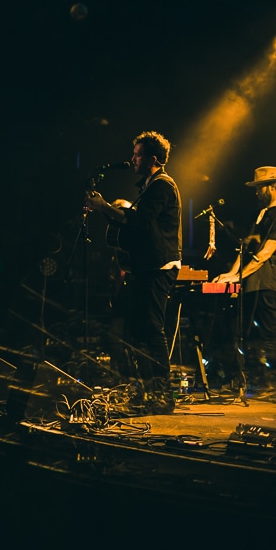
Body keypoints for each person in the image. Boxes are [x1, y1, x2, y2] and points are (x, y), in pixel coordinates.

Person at [85, 131, 182, 414]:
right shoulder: (150, 186)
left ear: (153, 158)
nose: (133, 159)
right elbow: (133, 225)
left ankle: (163, 396)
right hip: (146, 266)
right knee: (138, 329)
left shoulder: (162, 186)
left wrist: (104, 206)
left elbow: (139, 222)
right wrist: (104, 209)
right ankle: (147, 391)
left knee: (152, 328)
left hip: (159, 266)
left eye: (138, 154)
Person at [213, 166, 276, 401]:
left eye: (259, 188)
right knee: (245, 333)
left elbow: (266, 253)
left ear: (272, 187)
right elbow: (247, 250)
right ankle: (246, 382)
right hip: (253, 282)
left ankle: (274, 385)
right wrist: (230, 274)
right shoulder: (264, 214)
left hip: (269, 282)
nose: (256, 192)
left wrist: (238, 276)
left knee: (268, 333)